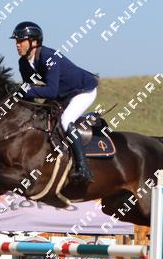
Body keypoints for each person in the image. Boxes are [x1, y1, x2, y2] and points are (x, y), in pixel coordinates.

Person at [10, 21, 98, 183]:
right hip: (63, 93)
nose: (17, 44)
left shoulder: (48, 57)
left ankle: (83, 167)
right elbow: (29, 92)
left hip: (83, 91)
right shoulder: (23, 63)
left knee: (65, 121)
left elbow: (50, 91)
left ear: (34, 42)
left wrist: (22, 90)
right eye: (16, 41)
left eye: (21, 40)